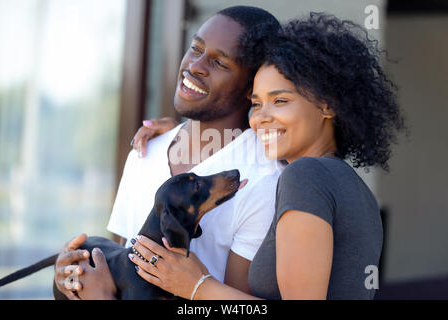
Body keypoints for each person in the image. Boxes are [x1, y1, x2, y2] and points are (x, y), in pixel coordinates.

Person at [127, 13, 405, 299]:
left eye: (280, 101)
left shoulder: (306, 176)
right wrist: (184, 133)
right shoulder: (354, 189)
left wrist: (198, 287)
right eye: (257, 104)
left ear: (328, 106)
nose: (261, 118)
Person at [53, 6, 284, 300]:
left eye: (220, 63)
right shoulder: (145, 150)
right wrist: (73, 274)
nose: (195, 66)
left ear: (251, 87)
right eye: (196, 48)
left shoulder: (264, 179)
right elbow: (119, 269)